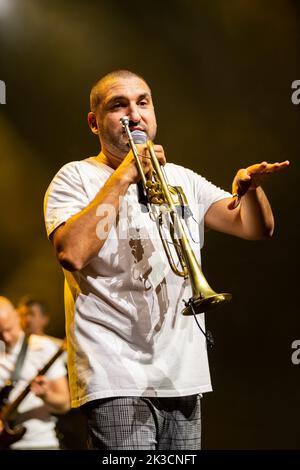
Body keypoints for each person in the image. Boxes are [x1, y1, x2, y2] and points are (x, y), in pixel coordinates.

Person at [43, 69, 289, 450]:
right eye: (119, 106)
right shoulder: (75, 178)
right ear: (94, 122)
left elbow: (255, 228)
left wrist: (251, 191)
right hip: (115, 375)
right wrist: (124, 176)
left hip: (183, 375)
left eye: (143, 102)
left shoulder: (181, 178)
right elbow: (72, 253)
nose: (135, 114)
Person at [0, 296, 70, 449]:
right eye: (0, 333)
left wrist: (46, 395)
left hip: (40, 443)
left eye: (8, 329)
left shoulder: (42, 347)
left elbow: (64, 403)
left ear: (17, 317)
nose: (5, 337)